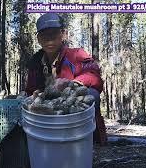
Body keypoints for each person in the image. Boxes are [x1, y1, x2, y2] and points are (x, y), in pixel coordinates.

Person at [25, 13, 107, 145]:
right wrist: (34, 96)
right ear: (38, 39)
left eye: (54, 34)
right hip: (45, 118)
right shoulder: (35, 63)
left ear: (63, 34)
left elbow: (95, 76)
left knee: (92, 94)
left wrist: (71, 84)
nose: (49, 40)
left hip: (73, 113)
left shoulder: (76, 55)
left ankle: (86, 141)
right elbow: (30, 91)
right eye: (44, 35)